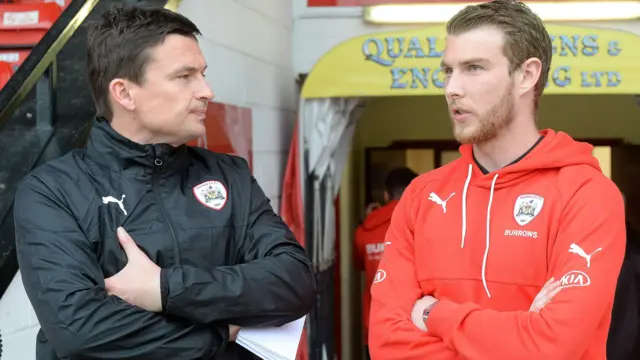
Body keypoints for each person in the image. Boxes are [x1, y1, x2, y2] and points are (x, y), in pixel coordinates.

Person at [13, 7, 316, 360]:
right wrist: (220, 333)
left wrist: (163, 288)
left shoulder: (229, 176)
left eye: (202, 74)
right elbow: (79, 331)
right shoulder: (52, 191)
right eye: (185, 76)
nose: (207, 91)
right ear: (124, 94)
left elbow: (295, 283)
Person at [368, 1, 626, 359]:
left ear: (526, 75)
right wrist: (520, 331)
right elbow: (387, 343)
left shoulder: (587, 195)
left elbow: (553, 344)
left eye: (474, 68)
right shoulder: (422, 195)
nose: (452, 89)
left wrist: (432, 314)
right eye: (448, 71)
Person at [353, 167, 417, 359]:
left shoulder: (365, 230)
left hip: (376, 323)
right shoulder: (420, 222)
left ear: (386, 194)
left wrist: (371, 218)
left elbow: (360, 265)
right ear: (414, 191)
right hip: (414, 325)